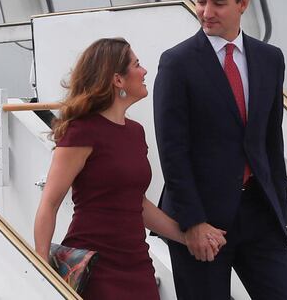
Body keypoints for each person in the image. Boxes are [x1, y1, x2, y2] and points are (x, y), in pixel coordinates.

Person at [154, 0, 287, 299]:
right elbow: (172, 150)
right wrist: (192, 223)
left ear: (243, 4)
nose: (206, 12)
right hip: (201, 220)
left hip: (260, 216)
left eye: (218, 3)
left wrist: (279, 214)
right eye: (201, 1)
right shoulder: (177, 63)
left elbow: (270, 142)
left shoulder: (269, 59)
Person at [34, 37, 227, 300]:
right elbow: (50, 203)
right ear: (118, 80)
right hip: (96, 266)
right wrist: (41, 269)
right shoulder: (82, 132)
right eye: (137, 64)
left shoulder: (135, 132)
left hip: (136, 263)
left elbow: (137, 203)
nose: (144, 70)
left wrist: (189, 236)